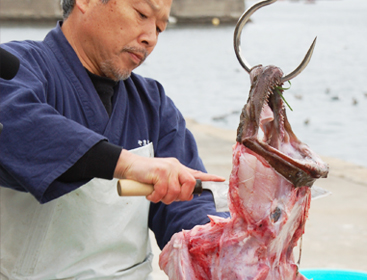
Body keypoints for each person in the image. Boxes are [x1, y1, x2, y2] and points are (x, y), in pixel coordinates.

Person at [0, 0, 229, 278]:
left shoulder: (153, 104)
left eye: (160, 27)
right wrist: (127, 164)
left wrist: (220, 246)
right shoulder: (16, 67)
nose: (150, 38)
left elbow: (186, 203)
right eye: (142, 14)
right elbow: (17, 124)